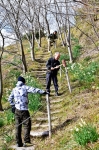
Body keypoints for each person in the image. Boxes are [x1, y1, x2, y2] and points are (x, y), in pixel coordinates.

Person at [8, 76, 47, 147]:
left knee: (18, 126)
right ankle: (27, 141)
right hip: (24, 110)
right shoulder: (25, 87)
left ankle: (18, 143)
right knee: (26, 125)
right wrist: (44, 92)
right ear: (23, 82)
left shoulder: (14, 89)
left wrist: (13, 105)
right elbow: (34, 90)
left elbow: (10, 98)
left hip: (17, 110)